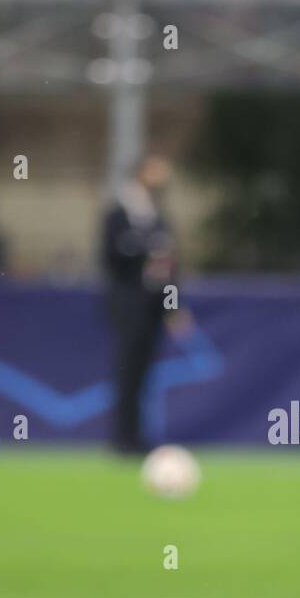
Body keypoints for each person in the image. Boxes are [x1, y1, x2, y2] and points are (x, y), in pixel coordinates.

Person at [101, 155, 189, 454]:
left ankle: (137, 436)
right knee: (128, 372)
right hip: (130, 306)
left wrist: (173, 307)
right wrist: (143, 252)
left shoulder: (158, 218)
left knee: (144, 374)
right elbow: (111, 258)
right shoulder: (119, 215)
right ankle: (122, 438)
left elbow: (170, 269)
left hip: (153, 308)